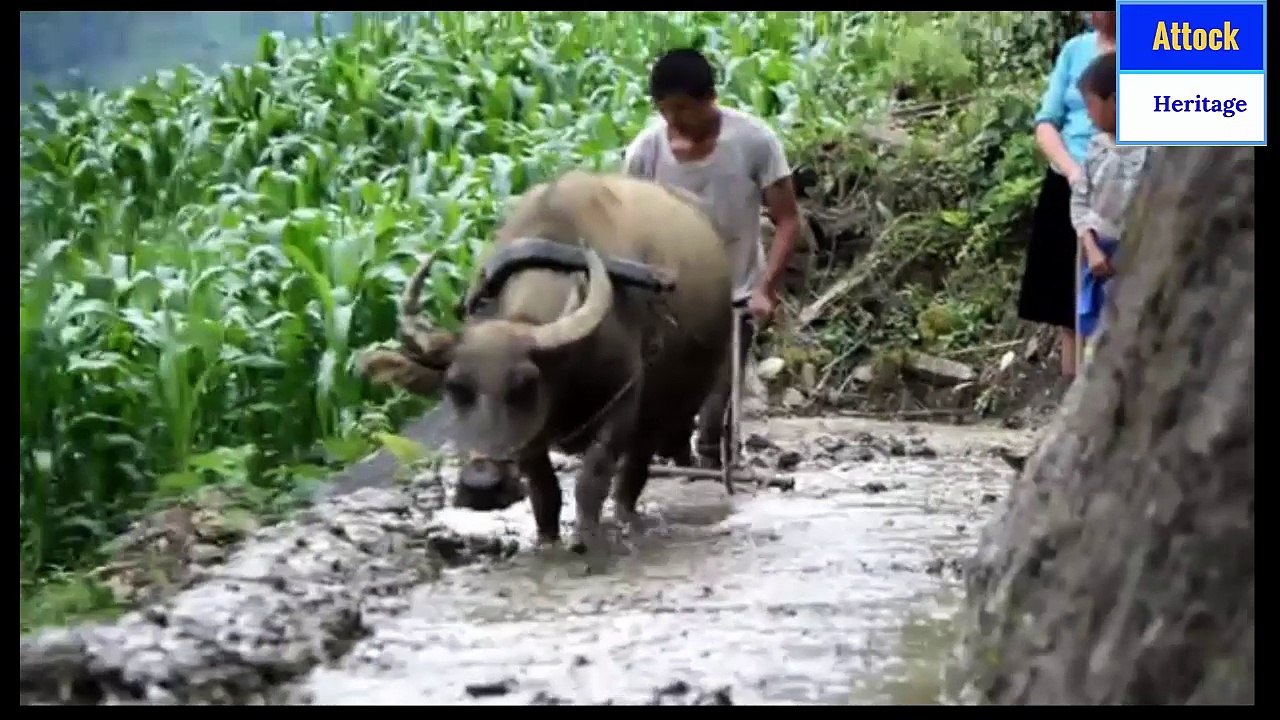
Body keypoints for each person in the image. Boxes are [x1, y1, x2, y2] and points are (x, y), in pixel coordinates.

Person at [621, 47, 801, 468]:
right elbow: (628, 226)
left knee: (715, 422)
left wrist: (765, 289)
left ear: (710, 98)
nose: (675, 121)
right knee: (668, 427)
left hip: (733, 296)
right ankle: (684, 497)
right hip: (668, 300)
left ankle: (715, 477)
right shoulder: (645, 151)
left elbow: (788, 220)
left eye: (683, 108)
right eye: (665, 111)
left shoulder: (754, 141)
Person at [1017, 11, 1115, 381]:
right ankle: (1070, 393)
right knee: (1066, 305)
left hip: (1121, 183)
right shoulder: (1075, 50)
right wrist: (1074, 172)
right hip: (1069, 179)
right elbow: (1046, 121)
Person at [1070, 51, 1150, 366]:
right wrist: (1090, 247)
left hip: (1135, 254)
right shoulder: (1095, 150)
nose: (1088, 116)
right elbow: (1080, 202)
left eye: (1091, 105)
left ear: (1115, 100)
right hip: (1096, 253)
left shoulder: (1151, 151)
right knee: (1093, 328)